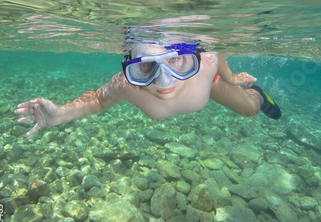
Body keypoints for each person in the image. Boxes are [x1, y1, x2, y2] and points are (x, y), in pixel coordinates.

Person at [14, 43, 281, 138]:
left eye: (174, 60)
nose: (164, 82)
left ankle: (257, 93)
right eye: (147, 66)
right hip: (196, 78)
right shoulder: (127, 85)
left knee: (251, 109)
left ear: (192, 56)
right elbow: (96, 100)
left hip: (207, 84)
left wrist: (232, 78)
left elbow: (215, 54)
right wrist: (61, 115)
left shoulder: (206, 64)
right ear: (130, 67)